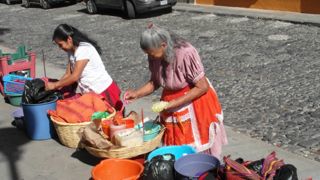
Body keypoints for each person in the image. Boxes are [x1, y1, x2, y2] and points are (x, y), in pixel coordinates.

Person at [125, 24, 228, 158]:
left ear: (163, 45)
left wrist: (174, 103)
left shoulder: (186, 53)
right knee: (176, 147)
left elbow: (202, 86)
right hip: (170, 104)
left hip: (194, 102)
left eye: (151, 53)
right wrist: (137, 93)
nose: (151, 57)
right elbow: (155, 81)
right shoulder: (154, 54)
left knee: (195, 146)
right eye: (148, 54)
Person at [46, 24, 123, 111]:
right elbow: (68, 74)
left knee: (113, 120)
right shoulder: (71, 51)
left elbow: (75, 77)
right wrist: (57, 88)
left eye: (60, 45)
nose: (60, 48)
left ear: (69, 39)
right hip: (92, 95)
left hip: (103, 91)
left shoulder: (83, 49)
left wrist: (55, 85)